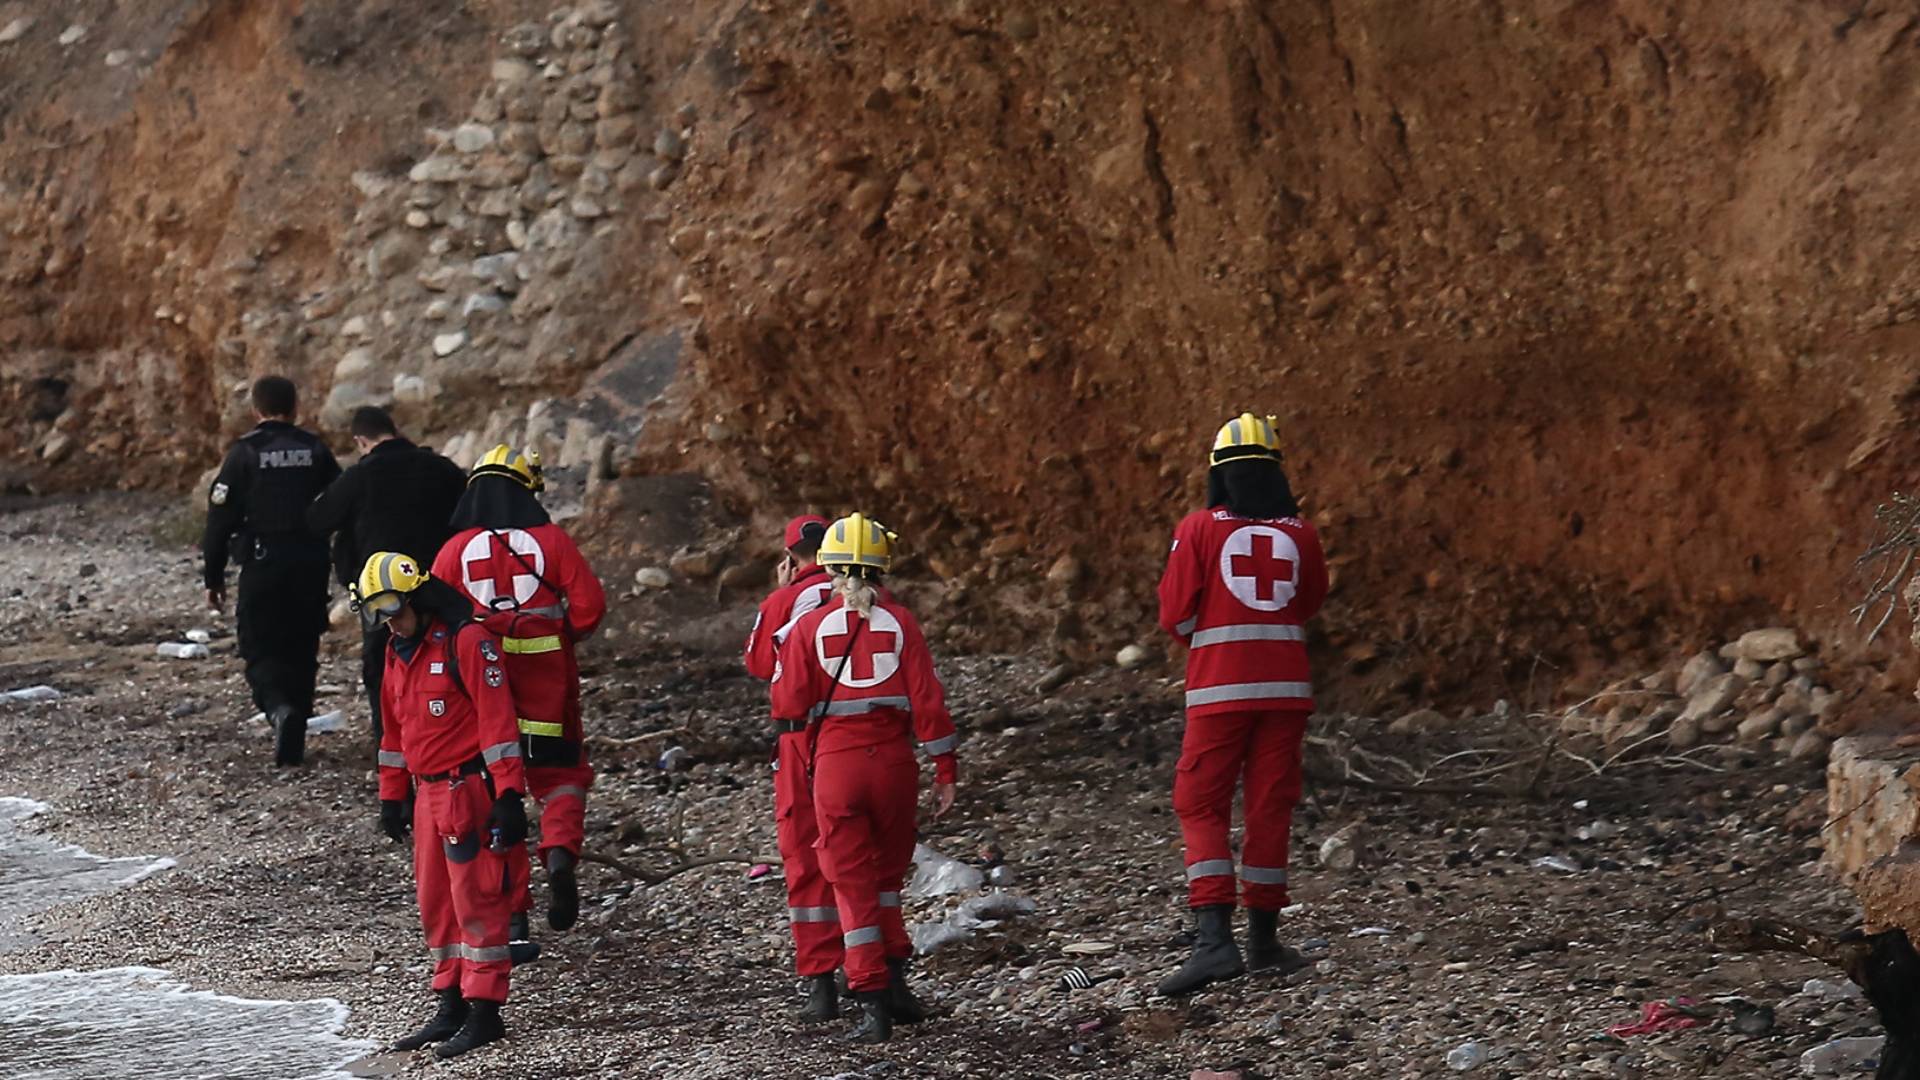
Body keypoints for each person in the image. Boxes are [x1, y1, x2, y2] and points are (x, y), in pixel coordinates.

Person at [1154, 413, 1328, 996]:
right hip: (1287, 690)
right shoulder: (1301, 533)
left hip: (1218, 690)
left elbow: (1175, 610)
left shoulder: (1199, 527)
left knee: (1199, 804)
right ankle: (1264, 941)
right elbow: (1308, 603)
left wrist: (1206, 641)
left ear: (1218, 475)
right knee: (1270, 807)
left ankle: (1214, 943)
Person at [770, 514, 960, 1043]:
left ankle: (871, 1002)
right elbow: (930, 703)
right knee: (887, 882)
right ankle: (897, 986)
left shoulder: (808, 626)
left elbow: (786, 702)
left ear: (827, 567)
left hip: (836, 765)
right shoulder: (902, 622)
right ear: (882, 566)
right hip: (895, 765)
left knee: (849, 885)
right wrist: (946, 768)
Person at [354, 551, 528, 1059]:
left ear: (419, 598)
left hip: (466, 791)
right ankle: (450, 1001)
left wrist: (510, 795)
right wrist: (392, 795)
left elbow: (499, 723)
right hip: (429, 794)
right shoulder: (395, 650)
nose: (390, 621)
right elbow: (393, 729)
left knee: (478, 903)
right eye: (380, 614)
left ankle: (485, 1011)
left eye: (395, 609)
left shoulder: (467, 642)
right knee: (437, 905)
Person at [433, 445, 605, 937]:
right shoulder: (552, 541)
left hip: (482, 683)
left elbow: (441, 619)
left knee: (495, 788)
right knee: (562, 777)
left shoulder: (453, 549)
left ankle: (513, 910)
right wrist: (560, 636)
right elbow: (590, 605)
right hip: (548, 678)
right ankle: (558, 854)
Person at [202, 375, 341, 767]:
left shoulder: (245, 453)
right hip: (310, 564)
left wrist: (213, 578)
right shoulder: (315, 450)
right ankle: (295, 720)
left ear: (255, 410)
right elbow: (339, 501)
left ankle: (279, 709)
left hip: (263, 564)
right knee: (301, 646)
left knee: (260, 647)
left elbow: (219, 520)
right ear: (295, 408)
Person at [306, 406, 467, 741]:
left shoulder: (360, 477)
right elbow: (469, 514)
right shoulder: (441, 469)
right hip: (441, 585)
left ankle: (393, 752)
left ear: (361, 441)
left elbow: (317, 520)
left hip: (383, 590)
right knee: (452, 664)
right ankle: (451, 741)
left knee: (383, 671)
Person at [743, 514, 842, 1020]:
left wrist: (780, 593)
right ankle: (881, 974)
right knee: (860, 852)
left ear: (790, 559)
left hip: (800, 739)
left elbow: (760, 665)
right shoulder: (871, 599)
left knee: (804, 854)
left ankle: (821, 983)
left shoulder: (781, 603)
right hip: (859, 737)